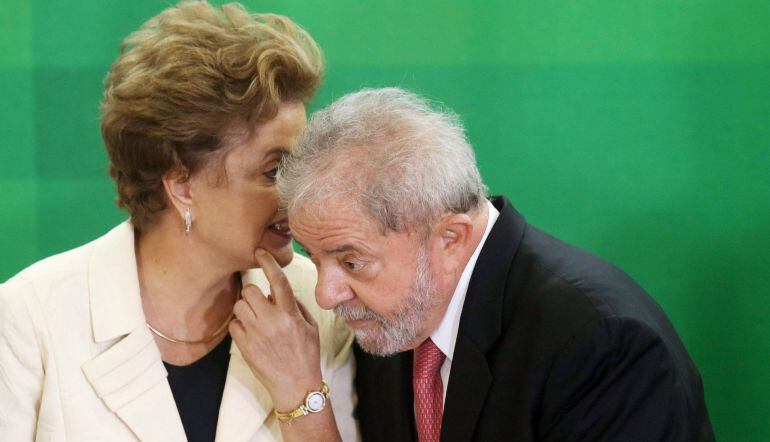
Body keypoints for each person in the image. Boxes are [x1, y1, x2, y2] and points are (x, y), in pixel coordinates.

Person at [0, 2, 357, 441]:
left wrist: (302, 395)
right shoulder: (27, 320)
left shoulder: (322, 307)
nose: (301, 193)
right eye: (274, 171)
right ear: (182, 185)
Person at [276, 87, 716, 441]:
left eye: (351, 263)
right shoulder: (395, 318)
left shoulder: (603, 346)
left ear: (450, 238)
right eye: (312, 257)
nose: (325, 293)